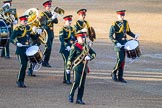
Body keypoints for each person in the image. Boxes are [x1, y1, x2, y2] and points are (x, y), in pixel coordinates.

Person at [109, 10, 139, 83]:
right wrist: (116, 42)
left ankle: (120, 77)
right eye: (121, 16)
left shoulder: (126, 22)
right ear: (118, 16)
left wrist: (134, 35)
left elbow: (128, 32)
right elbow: (110, 36)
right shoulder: (114, 24)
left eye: (123, 15)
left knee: (123, 62)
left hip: (125, 43)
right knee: (120, 60)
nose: (122, 17)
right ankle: (113, 72)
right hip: (118, 44)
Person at [10, 15, 40, 88]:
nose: (25, 22)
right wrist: (16, 43)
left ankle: (22, 81)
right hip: (20, 50)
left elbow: (33, 37)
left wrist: (38, 33)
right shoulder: (17, 29)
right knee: (23, 65)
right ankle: (19, 80)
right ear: (21, 21)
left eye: (26, 21)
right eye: (24, 21)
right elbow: (11, 38)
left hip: (27, 49)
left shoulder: (28, 28)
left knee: (25, 65)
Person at [67, 32, 96, 105]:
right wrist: (68, 67)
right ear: (77, 38)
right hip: (77, 67)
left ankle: (79, 98)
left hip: (84, 67)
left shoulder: (86, 46)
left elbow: (94, 53)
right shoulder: (74, 46)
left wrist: (90, 57)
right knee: (76, 82)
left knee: (82, 85)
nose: (83, 39)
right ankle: (71, 95)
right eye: (81, 38)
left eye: (84, 38)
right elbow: (70, 58)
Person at [40, 0, 58, 67]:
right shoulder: (43, 14)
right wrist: (51, 18)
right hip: (46, 32)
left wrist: (54, 16)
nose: (49, 7)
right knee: (48, 47)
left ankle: (46, 61)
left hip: (51, 32)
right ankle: (42, 60)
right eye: (48, 6)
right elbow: (43, 22)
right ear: (45, 7)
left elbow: (56, 22)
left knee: (50, 48)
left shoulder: (51, 13)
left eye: (50, 6)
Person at [59, 15, 76, 85]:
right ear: (65, 21)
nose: (70, 22)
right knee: (67, 63)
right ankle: (67, 79)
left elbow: (75, 37)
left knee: (69, 63)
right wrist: (67, 45)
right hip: (64, 49)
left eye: (70, 21)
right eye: (68, 21)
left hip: (71, 48)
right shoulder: (62, 29)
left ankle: (65, 78)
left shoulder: (72, 29)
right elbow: (61, 39)